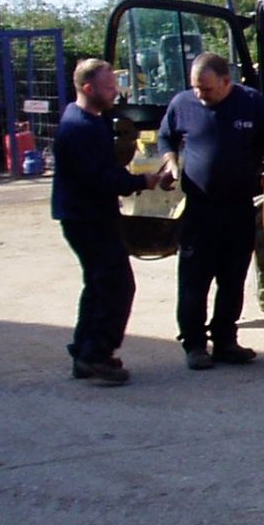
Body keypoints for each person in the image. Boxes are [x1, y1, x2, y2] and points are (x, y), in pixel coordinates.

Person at [51, 58, 170, 385]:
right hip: (85, 218)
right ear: (88, 89)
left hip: (88, 215)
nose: (115, 92)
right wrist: (142, 183)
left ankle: (84, 351)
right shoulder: (79, 128)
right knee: (117, 285)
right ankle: (96, 355)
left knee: (99, 283)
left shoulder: (91, 120)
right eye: (108, 87)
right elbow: (99, 178)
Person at [157, 53, 264, 370]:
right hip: (199, 211)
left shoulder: (251, 103)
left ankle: (225, 341)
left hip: (238, 209)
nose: (200, 95)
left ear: (225, 81)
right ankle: (194, 344)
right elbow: (165, 136)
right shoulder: (182, 104)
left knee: (232, 279)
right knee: (194, 280)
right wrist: (170, 162)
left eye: (206, 89)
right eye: (195, 87)